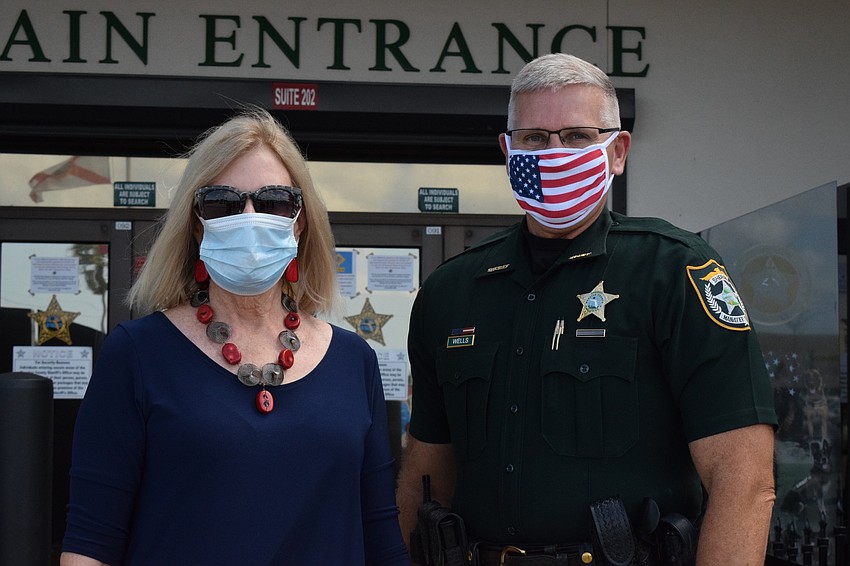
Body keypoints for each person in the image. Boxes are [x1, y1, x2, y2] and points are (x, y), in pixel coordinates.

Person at [397, 53, 777, 566]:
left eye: (577, 136)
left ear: (617, 151)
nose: (554, 153)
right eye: (534, 138)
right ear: (508, 152)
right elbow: (426, 480)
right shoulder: (451, 291)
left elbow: (744, 483)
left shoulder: (674, 272)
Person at [61, 108, 409, 565]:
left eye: (275, 202)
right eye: (222, 203)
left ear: (300, 221)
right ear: (196, 224)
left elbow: (381, 538)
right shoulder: (138, 353)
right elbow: (90, 543)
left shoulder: (353, 361)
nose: (249, 217)